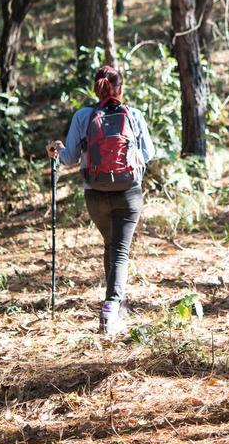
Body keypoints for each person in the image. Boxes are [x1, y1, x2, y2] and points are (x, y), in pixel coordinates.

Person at [46, 65, 155, 334]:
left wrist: (56, 150)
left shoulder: (83, 116)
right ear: (121, 87)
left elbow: (69, 158)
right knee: (119, 251)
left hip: (94, 194)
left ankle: (117, 305)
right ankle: (111, 307)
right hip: (128, 193)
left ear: (95, 87)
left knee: (111, 246)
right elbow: (149, 153)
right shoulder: (134, 115)